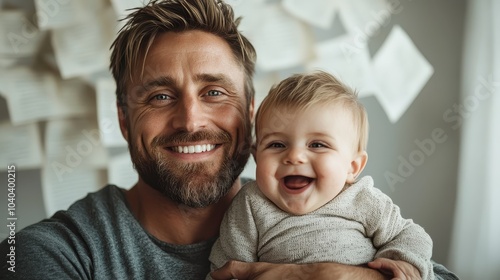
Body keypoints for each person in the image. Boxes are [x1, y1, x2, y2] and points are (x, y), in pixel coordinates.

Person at [0, 0, 458, 279]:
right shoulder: (58, 254)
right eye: (160, 96)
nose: (190, 119)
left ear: (252, 115)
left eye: (215, 92)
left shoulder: (350, 205)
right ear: (123, 120)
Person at [208, 71, 435, 280]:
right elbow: (227, 268)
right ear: (257, 157)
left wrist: (404, 264)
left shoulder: (362, 198)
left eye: (317, 144)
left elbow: (410, 234)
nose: (294, 156)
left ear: (352, 167)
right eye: (277, 144)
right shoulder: (250, 203)